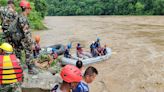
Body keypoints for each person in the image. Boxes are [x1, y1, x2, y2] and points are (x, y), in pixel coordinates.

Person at [9, 0, 37, 74]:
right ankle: (31, 69)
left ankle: (18, 68)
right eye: (29, 8)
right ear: (26, 8)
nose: (30, 10)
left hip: (16, 38)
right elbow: (26, 32)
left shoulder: (20, 15)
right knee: (29, 50)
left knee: (18, 52)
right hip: (20, 38)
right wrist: (32, 43)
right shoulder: (23, 18)